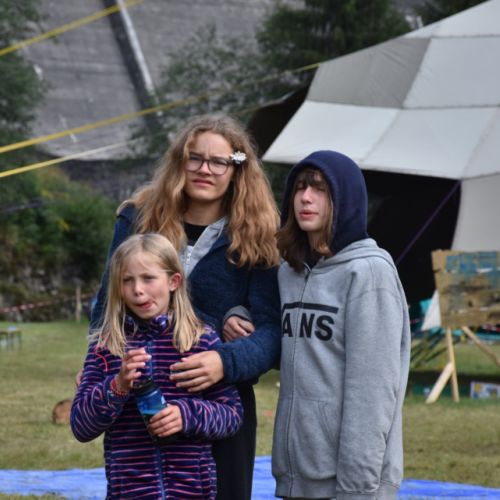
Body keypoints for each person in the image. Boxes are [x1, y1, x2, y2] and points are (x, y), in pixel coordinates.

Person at [88, 114, 281, 500]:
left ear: (236, 168)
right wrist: (95, 366)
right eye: (195, 158)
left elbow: (272, 331)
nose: (205, 170)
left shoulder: (258, 232)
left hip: (220, 402)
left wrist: (224, 361)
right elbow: (106, 307)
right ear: (180, 160)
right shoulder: (138, 218)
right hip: (143, 398)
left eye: (219, 162)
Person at [272, 150, 411, 500]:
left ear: (346, 200)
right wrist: (239, 315)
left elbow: (372, 392)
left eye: (320, 189)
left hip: (349, 484)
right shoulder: (289, 272)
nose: (305, 197)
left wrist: (357, 488)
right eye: (299, 187)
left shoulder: (369, 273)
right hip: (296, 477)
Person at [71, 233, 243, 499]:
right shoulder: (106, 347)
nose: (138, 289)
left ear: (174, 281)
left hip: (191, 491)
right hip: (130, 491)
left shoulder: (201, 341)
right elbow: (81, 426)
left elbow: (232, 415)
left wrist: (185, 415)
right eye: (127, 280)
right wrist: (117, 386)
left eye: (148, 278)